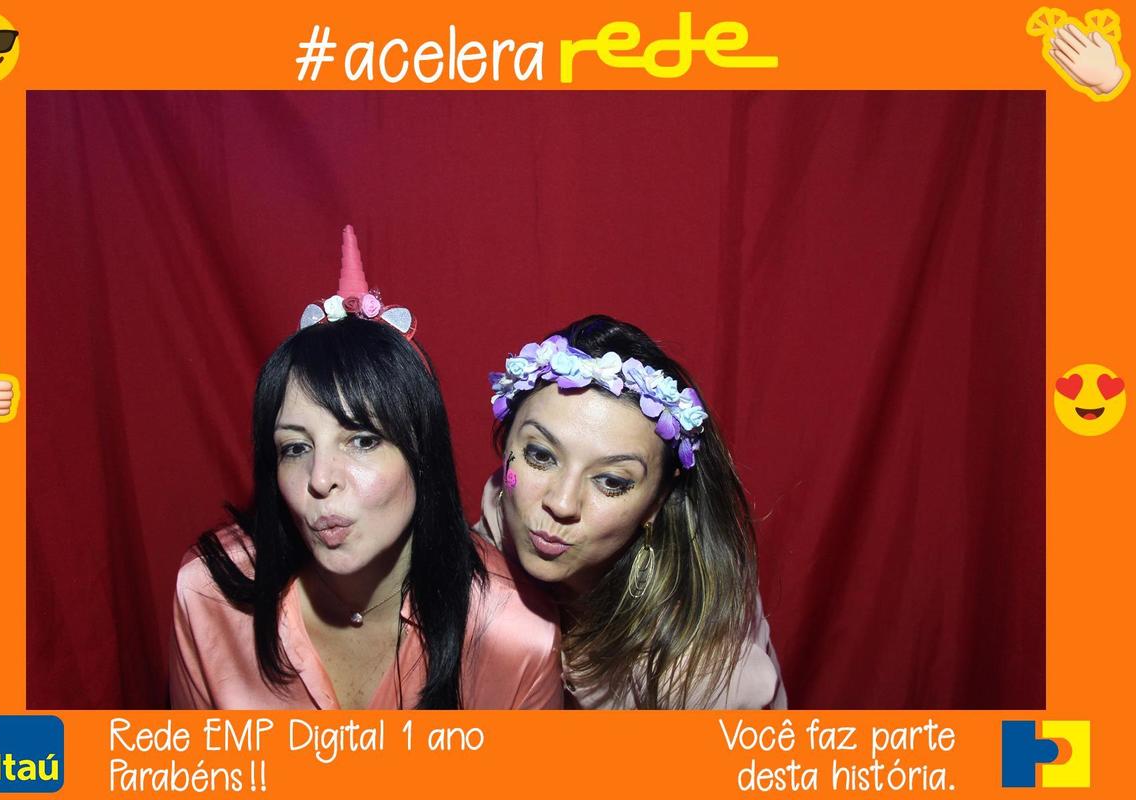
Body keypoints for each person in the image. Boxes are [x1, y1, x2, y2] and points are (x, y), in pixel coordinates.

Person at [169, 226, 561, 709]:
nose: (320, 479)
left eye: (362, 440)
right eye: (295, 448)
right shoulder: (208, 594)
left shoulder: (516, 635)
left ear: (421, 455)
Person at [478, 315, 786, 709]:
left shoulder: (696, 671)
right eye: (541, 455)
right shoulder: (498, 514)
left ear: (657, 503)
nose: (561, 503)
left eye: (611, 481)